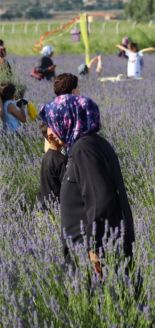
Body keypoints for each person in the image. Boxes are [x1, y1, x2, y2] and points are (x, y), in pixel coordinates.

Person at [39, 94, 135, 276]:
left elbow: (101, 200)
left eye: (53, 124)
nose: (49, 133)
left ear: (68, 119)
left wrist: (95, 248)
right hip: (92, 248)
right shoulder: (91, 144)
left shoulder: (84, 149)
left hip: (90, 255)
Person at [37, 122, 67, 208]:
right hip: (57, 205)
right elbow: (67, 187)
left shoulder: (46, 157)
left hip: (46, 204)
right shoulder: (60, 160)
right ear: (51, 137)